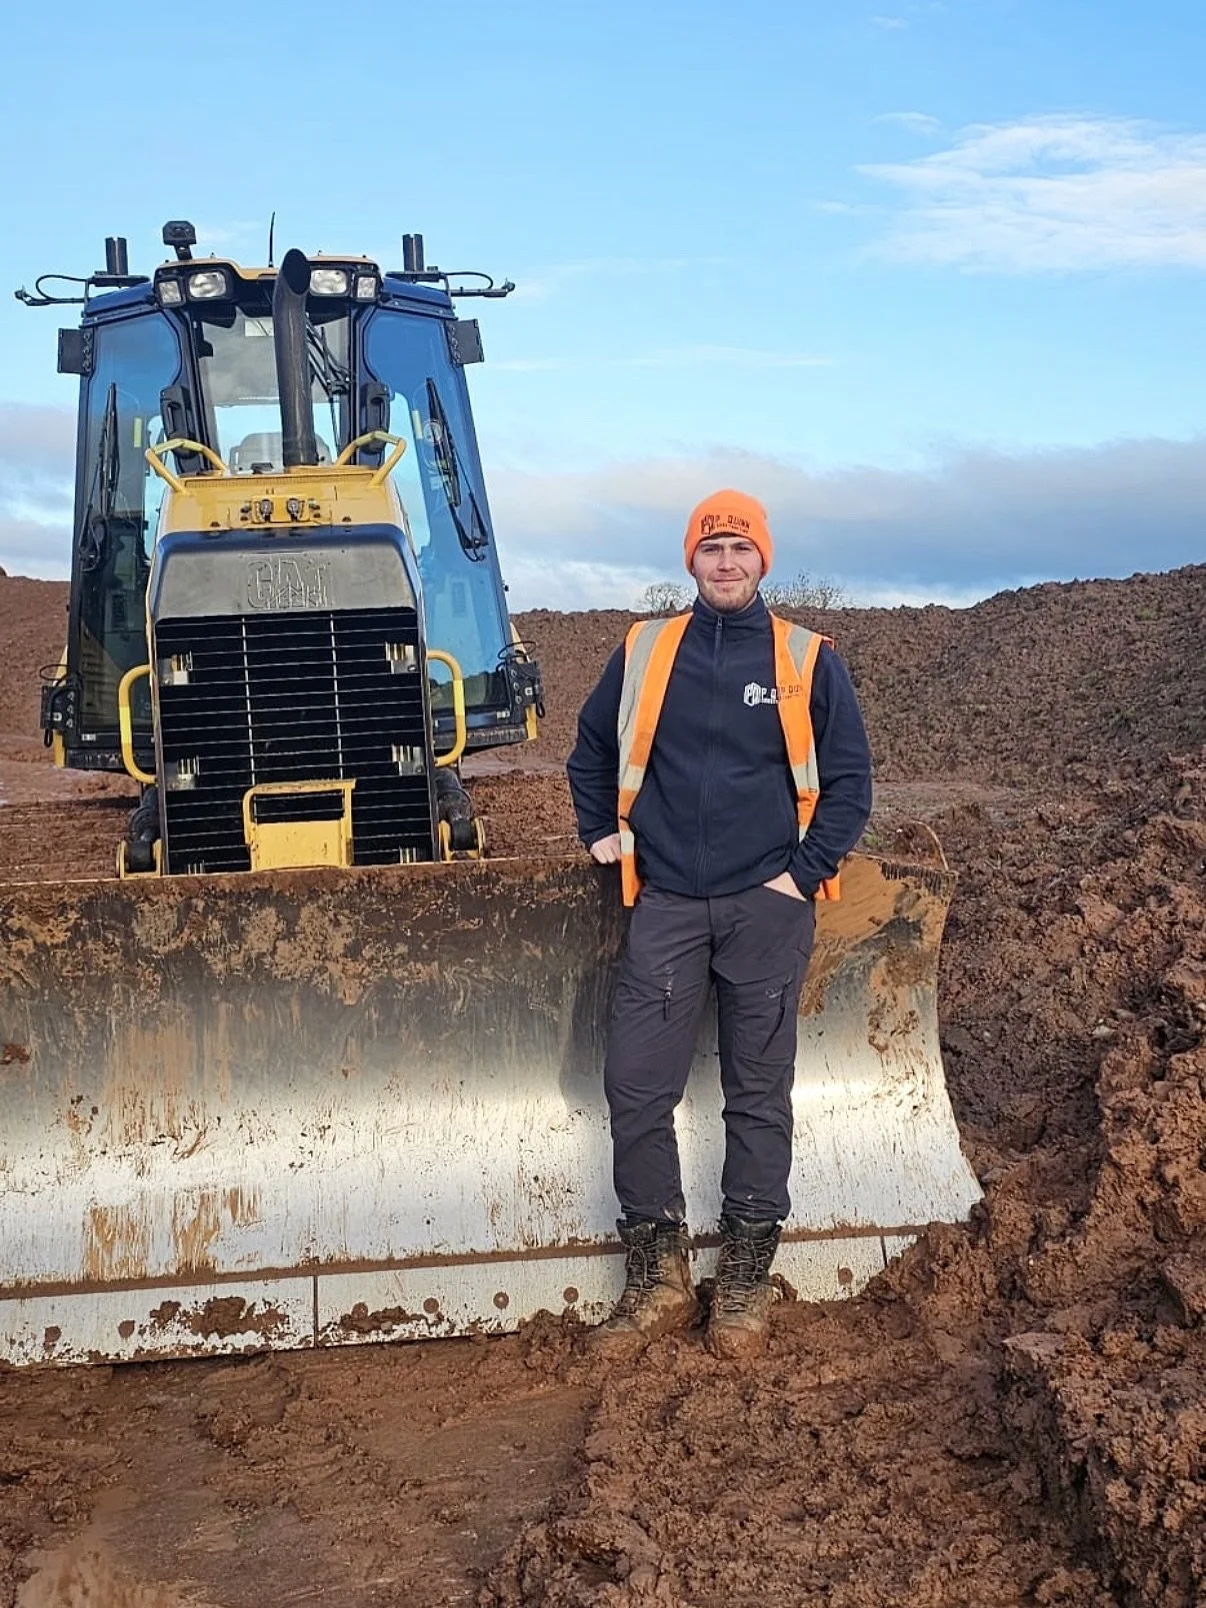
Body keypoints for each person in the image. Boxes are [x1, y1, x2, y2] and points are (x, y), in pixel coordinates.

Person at [566, 489, 873, 1361]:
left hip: (765, 911)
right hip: (664, 902)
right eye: (712, 548)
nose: (727, 562)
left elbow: (850, 783)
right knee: (634, 1085)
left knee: (758, 1094)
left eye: (741, 547)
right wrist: (599, 830)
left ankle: (743, 1277)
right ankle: (658, 1274)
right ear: (690, 561)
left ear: (763, 559)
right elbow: (590, 747)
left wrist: (799, 878)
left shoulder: (807, 659)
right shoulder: (646, 648)